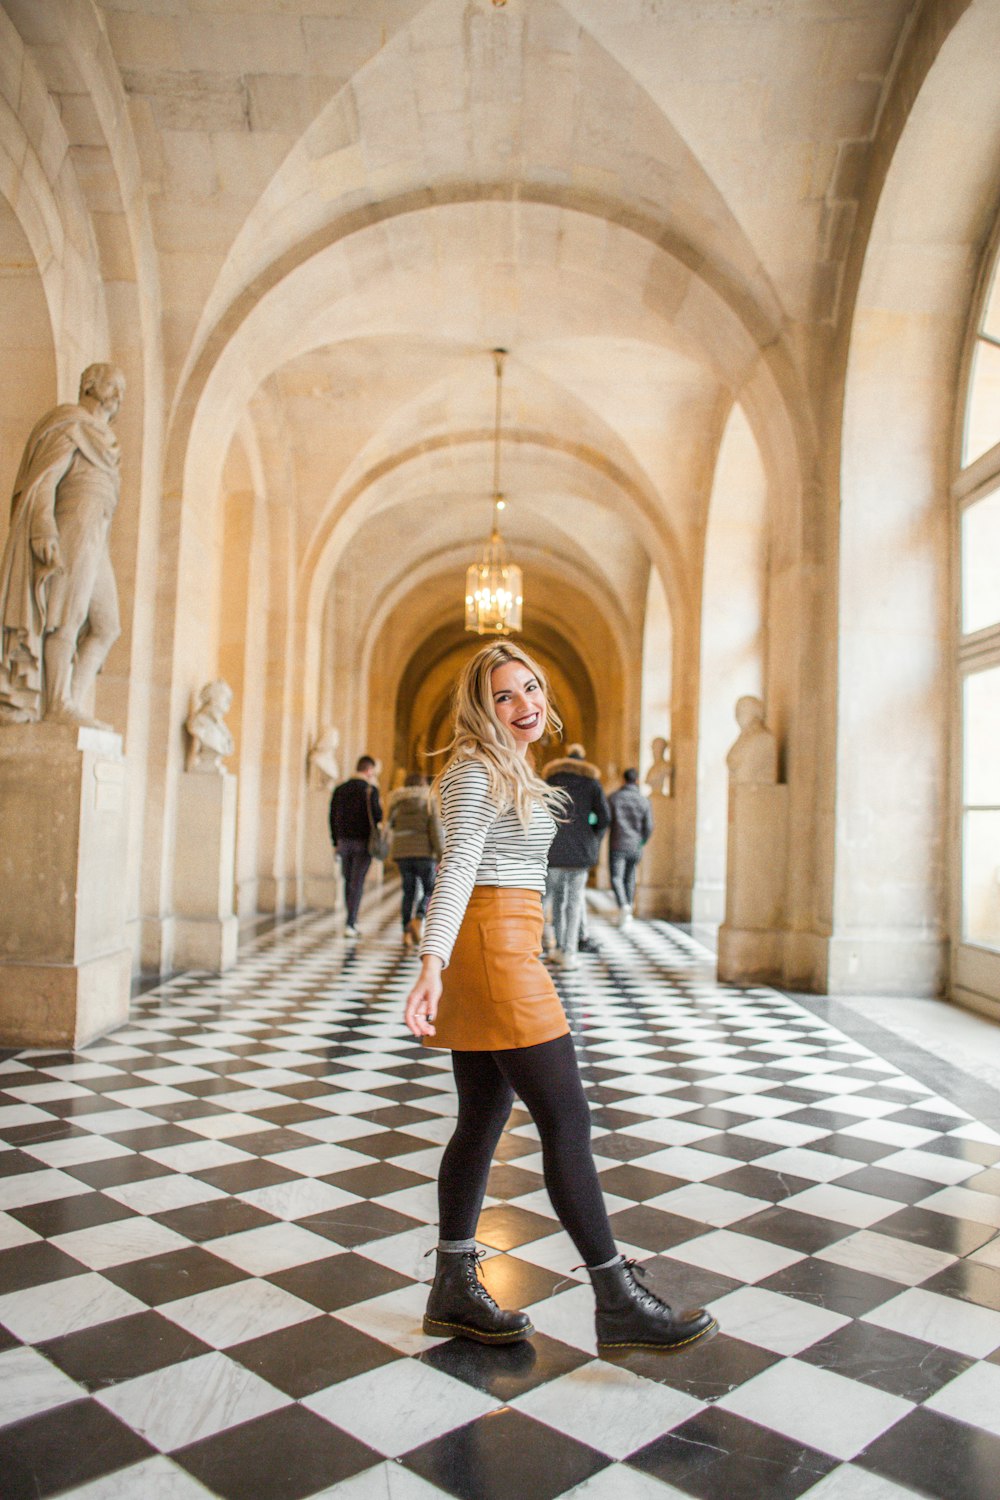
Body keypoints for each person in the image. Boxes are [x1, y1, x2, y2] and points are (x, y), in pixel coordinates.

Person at [403, 642, 715, 1354]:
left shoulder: (514, 767)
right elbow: (455, 872)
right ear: (482, 707)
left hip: (509, 942)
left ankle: (453, 1289)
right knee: (566, 1117)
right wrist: (431, 964)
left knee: (482, 1117)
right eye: (506, 696)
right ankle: (616, 1298)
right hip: (492, 951)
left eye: (532, 688)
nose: (526, 705)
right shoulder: (475, 769)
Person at [0, 363, 126, 727]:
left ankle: (70, 700)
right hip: (71, 523)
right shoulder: (69, 423)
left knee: (106, 626)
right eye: (113, 386)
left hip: (96, 533)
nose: (119, 397)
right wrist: (42, 528)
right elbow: (43, 481)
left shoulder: (105, 441)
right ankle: (57, 704)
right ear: (89, 384)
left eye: (123, 391)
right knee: (64, 615)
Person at [541, 744, 610, 969]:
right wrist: (592, 836)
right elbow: (604, 817)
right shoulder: (592, 783)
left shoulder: (550, 780)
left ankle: (558, 947)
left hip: (553, 848)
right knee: (573, 901)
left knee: (556, 900)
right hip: (580, 851)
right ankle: (570, 951)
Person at [387, 773, 444, 948]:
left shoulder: (397, 803)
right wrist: (441, 855)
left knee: (408, 893)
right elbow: (435, 829)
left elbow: (391, 824)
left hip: (402, 853)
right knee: (431, 889)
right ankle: (418, 919)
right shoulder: (428, 801)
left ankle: (406, 933)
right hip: (424, 853)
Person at [329, 755, 382, 937]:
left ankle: (350, 919)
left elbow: (332, 817)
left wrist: (336, 841)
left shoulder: (340, 789)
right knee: (357, 882)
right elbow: (378, 817)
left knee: (348, 880)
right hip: (363, 843)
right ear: (369, 770)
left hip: (344, 842)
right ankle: (351, 922)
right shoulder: (370, 790)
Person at [609, 767, 653, 926]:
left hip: (617, 843)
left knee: (616, 877)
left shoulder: (614, 798)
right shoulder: (644, 800)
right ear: (637, 781)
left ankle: (624, 905)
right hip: (635, 846)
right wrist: (641, 841)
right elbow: (649, 826)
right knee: (630, 877)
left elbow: (606, 820)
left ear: (623, 780)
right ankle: (629, 905)